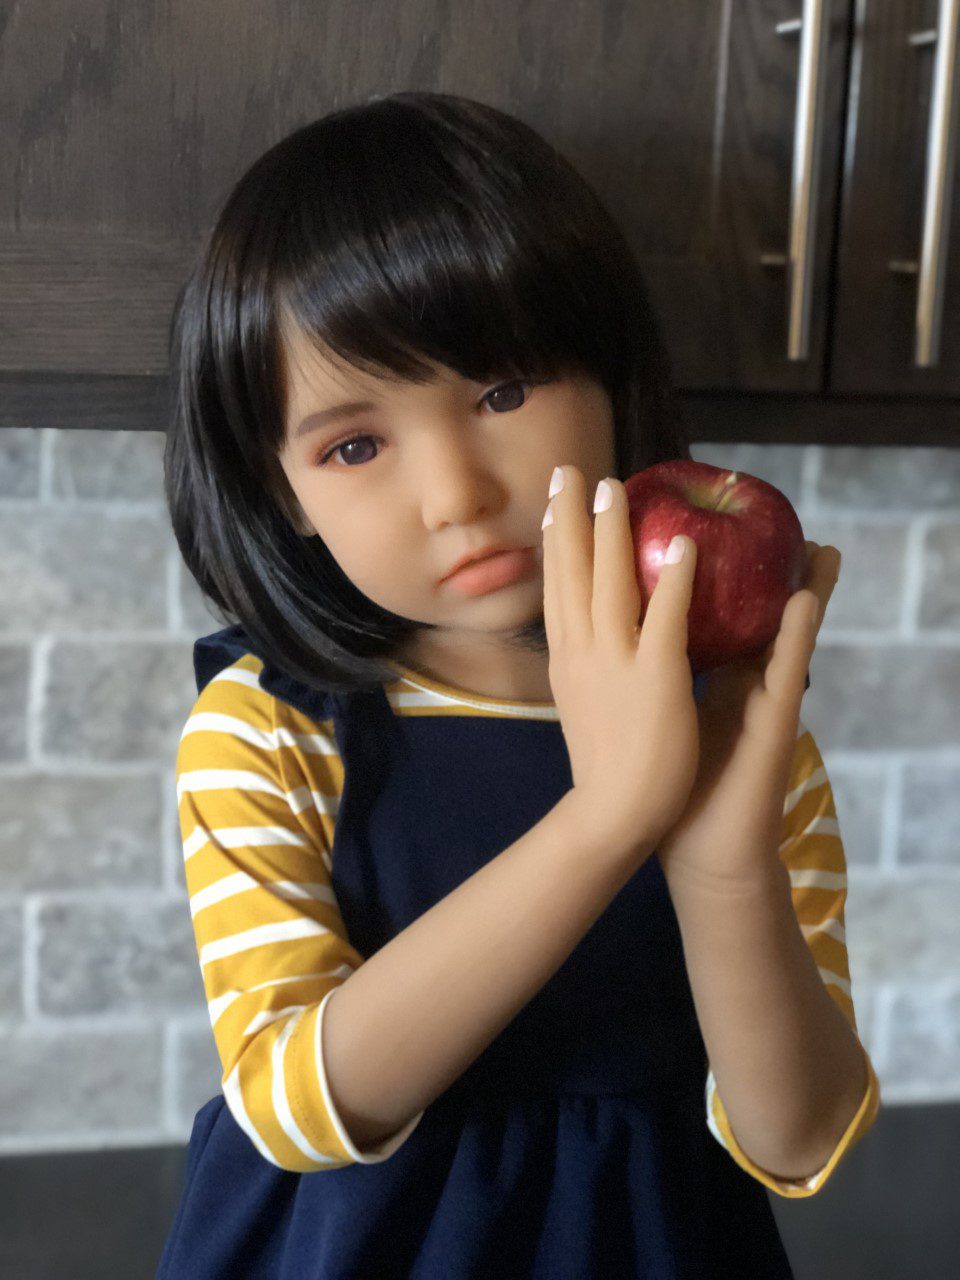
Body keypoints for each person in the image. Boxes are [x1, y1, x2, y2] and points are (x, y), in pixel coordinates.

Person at [156, 91, 881, 1279]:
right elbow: (292, 1107)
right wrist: (607, 819)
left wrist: (719, 863)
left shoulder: (739, 730)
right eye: (354, 444)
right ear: (283, 491)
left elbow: (798, 1138)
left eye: (502, 391)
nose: (456, 492)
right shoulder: (268, 731)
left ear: (607, 383)